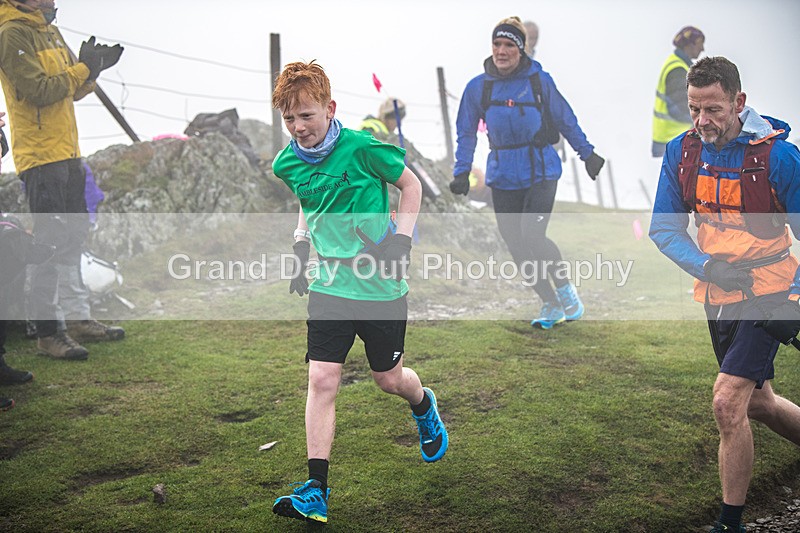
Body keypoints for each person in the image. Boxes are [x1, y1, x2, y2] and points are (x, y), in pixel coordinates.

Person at [269, 61, 448, 525]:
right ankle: (316, 489)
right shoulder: (287, 162)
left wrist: (401, 240)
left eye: (306, 116)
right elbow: (310, 202)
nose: (298, 127)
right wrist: (299, 247)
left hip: (380, 286)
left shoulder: (363, 148)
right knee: (322, 380)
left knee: (389, 379)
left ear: (329, 109)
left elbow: (410, 186)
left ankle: (423, 403)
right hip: (329, 286)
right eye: (289, 119)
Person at [650, 56, 800, 533]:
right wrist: (707, 266)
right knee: (759, 402)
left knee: (726, 401)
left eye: (713, 109)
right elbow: (664, 229)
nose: (702, 121)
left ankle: (728, 523)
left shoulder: (780, 158)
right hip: (717, 293)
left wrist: (794, 301)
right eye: (694, 109)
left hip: (771, 290)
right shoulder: (682, 153)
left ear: (739, 102)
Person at [450, 16, 605, 329]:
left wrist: (587, 154)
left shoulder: (538, 80)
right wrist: (461, 171)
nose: (501, 51)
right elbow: (465, 131)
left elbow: (565, 119)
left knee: (532, 234)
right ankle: (549, 301)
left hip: (541, 170)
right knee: (515, 242)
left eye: (509, 45)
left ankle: (565, 290)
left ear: (521, 49)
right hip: (503, 174)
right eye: (497, 44)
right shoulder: (478, 88)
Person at [0, 0, 125, 360]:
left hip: (68, 151)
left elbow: (73, 88)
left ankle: (77, 317)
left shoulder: (47, 29)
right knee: (49, 244)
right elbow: (39, 90)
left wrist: (92, 72)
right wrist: (82, 68)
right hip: (40, 157)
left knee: (73, 237)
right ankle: (48, 333)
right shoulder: (11, 34)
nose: (52, 1)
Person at [651, 25, 705, 157]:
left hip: (670, 140)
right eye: (699, 44)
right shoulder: (678, 70)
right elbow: (680, 107)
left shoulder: (677, 64)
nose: (702, 49)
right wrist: (703, 123)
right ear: (689, 45)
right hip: (673, 141)